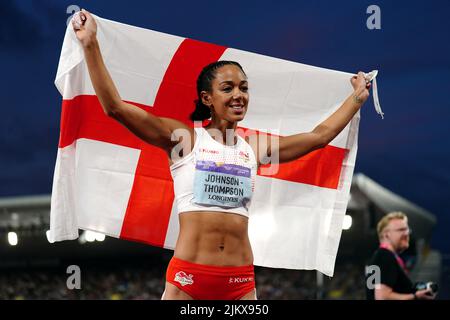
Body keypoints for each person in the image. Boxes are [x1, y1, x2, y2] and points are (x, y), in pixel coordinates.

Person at [72, 10, 372, 300]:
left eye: (243, 88)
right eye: (227, 88)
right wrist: (91, 44)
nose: (238, 95)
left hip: (240, 282)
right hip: (188, 278)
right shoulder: (185, 140)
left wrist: (356, 99)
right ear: (207, 99)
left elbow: (319, 137)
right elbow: (115, 108)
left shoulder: (254, 148)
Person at [366, 212, 437, 300]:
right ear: (386, 235)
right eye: (401, 230)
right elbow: (381, 297)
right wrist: (415, 296)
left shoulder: (378, 257)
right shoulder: (386, 256)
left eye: (407, 230)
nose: (406, 234)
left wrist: (419, 289)